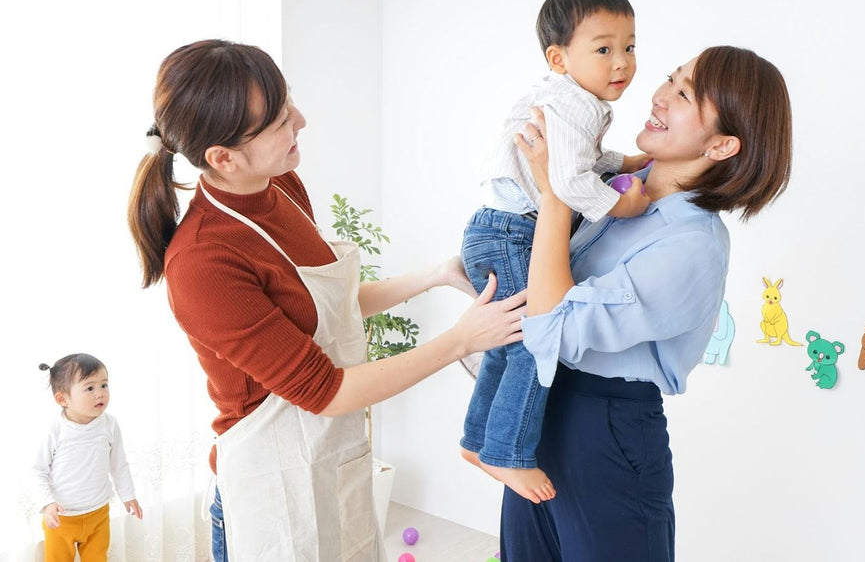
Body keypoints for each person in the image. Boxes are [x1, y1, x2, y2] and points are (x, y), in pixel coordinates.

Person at [127, 39, 525, 562]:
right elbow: (327, 391)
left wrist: (434, 275)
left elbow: (323, 314)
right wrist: (460, 341)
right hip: (271, 487)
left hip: (330, 461)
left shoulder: (281, 184)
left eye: (289, 101)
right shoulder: (203, 262)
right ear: (222, 157)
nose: (301, 121)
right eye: (278, 122)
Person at [503, 46, 793, 561]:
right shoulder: (613, 196)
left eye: (684, 95)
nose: (658, 96)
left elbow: (551, 326)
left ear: (724, 145)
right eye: (669, 80)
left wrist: (556, 193)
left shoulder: (693, 243)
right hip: (540, 409)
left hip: (606, 430)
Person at [460, 0, 651, 503]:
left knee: (510, 340)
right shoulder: (574, 105)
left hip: (494, 229)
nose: (623, 63)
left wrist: (618, 162)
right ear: (559, 57)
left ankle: (479, 440)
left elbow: (576, 161)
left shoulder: (567, 98)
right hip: (512, 230)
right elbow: (564, 182)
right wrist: (623, 202)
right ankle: (508, 453)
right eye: (605, 49)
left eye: (630, 47)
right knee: (537, 338)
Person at [32, 353, 143, 562]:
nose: (100, 394)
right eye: (90, 388)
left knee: (98, 558)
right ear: (62, 398)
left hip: (98, 513)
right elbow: (38, 470)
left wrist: (128, 494)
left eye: (104, 385)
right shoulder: (55, 430)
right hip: (62, 518)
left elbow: (118, 464)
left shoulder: (109, 424)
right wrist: (48, 503)